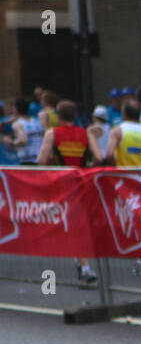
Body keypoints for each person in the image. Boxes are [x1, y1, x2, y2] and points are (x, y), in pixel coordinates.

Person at [39, 101, 103, 284]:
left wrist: (53, 164)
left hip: (61, 184)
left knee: (73, 224)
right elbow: (98, 157)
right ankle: (81, 263)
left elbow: (41, 160)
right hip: (81, 182)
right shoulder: (85, 134)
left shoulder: (52, 133)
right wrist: (87, 166)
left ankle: (84, 266)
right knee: (76, 223)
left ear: (58, 116)